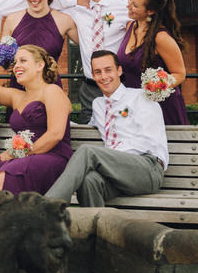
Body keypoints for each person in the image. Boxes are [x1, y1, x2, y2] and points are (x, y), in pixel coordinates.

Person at [45, 51, 167, 206]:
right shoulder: (98, 104)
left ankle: (49, 206)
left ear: (119, 71)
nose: (103, 76)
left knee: (87, 151)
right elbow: (89, 126)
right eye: (97, 72)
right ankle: (93, 228)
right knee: (89, 181)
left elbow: (149, 142)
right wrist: (57, 120)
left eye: (108, 70)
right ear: (93, 76)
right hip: (116, 173)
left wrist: (111, 156)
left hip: (148, 169)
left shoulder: (141, 97)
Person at [0, 45, 72, 201]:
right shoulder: (16, 96)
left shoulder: (52, 91)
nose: (17, 66)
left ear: (40, 65)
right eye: (15, 62)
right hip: (21, 156)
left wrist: (19, 153)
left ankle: (11, 223)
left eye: (23, 61)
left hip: (52, 155)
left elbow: (55, 134)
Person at [52, 0, 129, 123]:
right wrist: (76, 0)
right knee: (89, 133)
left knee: (121, 131)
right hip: (89, 89)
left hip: (119, 85)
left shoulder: (125, 8)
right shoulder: (77, 9)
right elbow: (43, 0)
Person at [115, 0, 187, 125]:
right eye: (130, 0)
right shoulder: (130, 26)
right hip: (135, 107)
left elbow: (180, 74)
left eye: (135, 5)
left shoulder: (161, 38)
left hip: (162, 109)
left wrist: (156, 86)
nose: (128, 6)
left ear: (150, 11)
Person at [1, 0, 78, 89]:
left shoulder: (64, 20)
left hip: (50, 88)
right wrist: (7, 63)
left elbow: (87, 45)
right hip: (20, 89)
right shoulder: (12, 19)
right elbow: (3, 54)